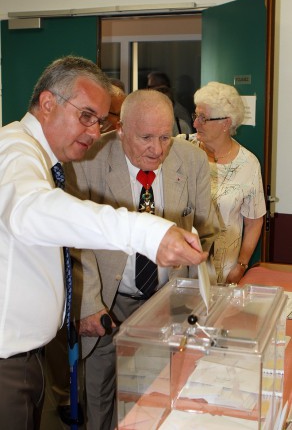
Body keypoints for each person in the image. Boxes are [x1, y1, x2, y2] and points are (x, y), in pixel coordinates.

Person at [0, 55, 209, 430]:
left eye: (99, 120)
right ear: (48, 103)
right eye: (85, 116)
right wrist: (148, 232)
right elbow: (33, 211)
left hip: (27, 357)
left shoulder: (42, 157)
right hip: (8, 362)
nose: (95, 132)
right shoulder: (14, 150)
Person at [64, 88, 220, 429]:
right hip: (108, 298)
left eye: (165, 136)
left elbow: (206, 230)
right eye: (146, 137)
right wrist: (88, 303)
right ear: (120, 130)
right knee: (101, 393)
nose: (157, 149)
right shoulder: (89, 159)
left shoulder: (191, 160)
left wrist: (204, 295)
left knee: (159, 390)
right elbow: (75, 241)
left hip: (169, 299)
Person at [44, 82, 127, 426]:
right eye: (89, 117)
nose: (105, 129)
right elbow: (74, 233)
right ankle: (66, 396)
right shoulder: (50, 158)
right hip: (60, 292)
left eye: (106, 119)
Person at [191, 81, 266, 284]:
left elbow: (254, 221)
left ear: (226, 123)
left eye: (203, 118)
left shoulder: (248, 164)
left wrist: (241, 265)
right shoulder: (182, 150)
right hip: (181, 269)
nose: (195, 123)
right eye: (196, 116)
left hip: (225, 273)